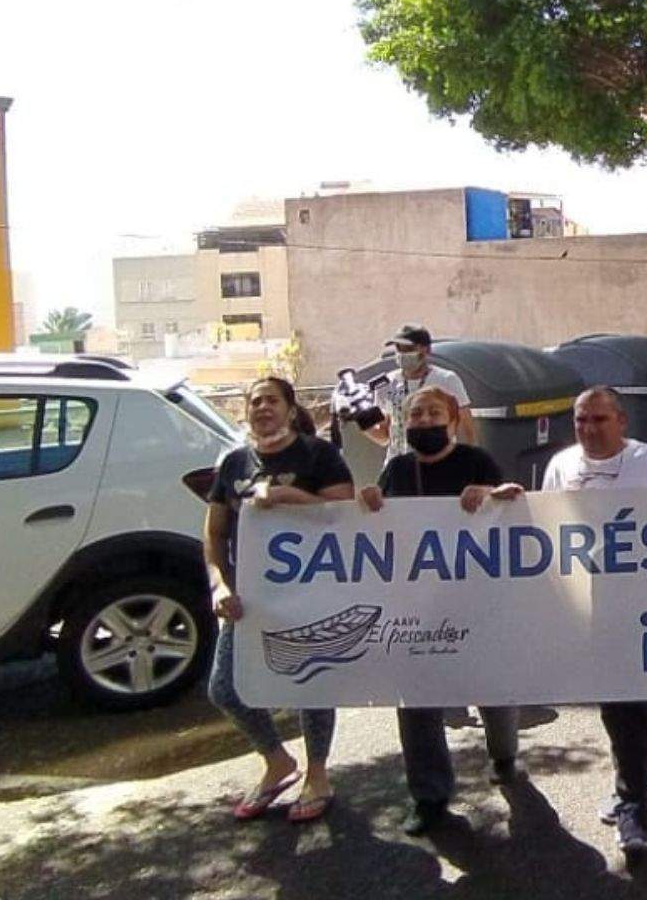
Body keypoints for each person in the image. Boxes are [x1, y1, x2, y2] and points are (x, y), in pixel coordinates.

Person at [490, 387, 647, 860]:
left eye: (599, 420)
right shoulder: (562, 465)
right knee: (613, 703)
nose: (588, 429)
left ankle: (632, 805)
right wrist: (507, 504)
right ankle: (633, 783)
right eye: (580, 420)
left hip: (644, 605)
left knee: (637, 702)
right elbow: (549, 529)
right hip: (592, 608)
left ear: (622, 421)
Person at [357, 387, 523, 835]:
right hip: (416, 607)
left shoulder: (476, 462)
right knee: (416, 702)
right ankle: (428, 795)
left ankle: (504, 754)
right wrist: (372, 504)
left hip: (475, 600)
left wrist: (491, 492)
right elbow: (384, 528)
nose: (424, 421)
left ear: (452, 422)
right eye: (415, 414)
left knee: (491, 688)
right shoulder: (396, 468)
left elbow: (509, 504)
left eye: (434, 413)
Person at [204, 377, 354, 824]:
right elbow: (213, 532)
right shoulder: (233, 464)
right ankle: (277, 761)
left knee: (311, 682)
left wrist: (290, 496)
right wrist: (220, 584)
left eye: (272, 400)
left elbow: (343, 515)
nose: (262, 408)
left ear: (290, 409)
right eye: (254, 401)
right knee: (224, 688)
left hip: (310, 591)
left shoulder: (318, 455)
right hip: (250, 596)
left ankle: (318, 773)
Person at [365, 324, 474, 463]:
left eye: (409, 349)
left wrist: (468, 463)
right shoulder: (386, 384)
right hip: (397, 467)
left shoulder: (446, 380)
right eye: (399, 349)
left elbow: (466, 429)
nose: (403, 354)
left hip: (438, 464)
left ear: (426, 350)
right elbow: (385, 437)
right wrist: (362, 420)